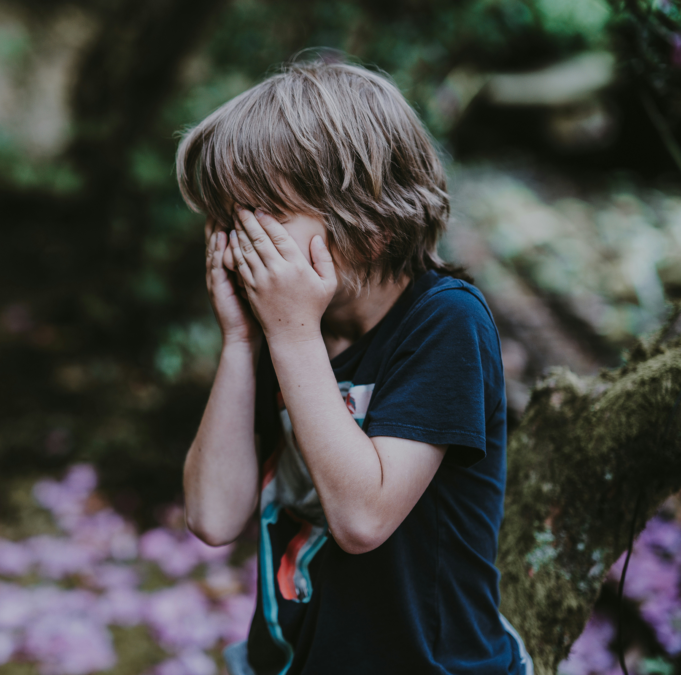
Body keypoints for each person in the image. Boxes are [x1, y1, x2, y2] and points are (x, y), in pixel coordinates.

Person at [175, 58, 534, 675]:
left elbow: (363, 519)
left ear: (365, 223)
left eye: (265, 217)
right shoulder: (281, 326)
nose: (243, 244)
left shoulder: (445, 321)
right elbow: (212, 516)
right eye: (231, 220)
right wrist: (240, 340)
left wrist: (289, 334)